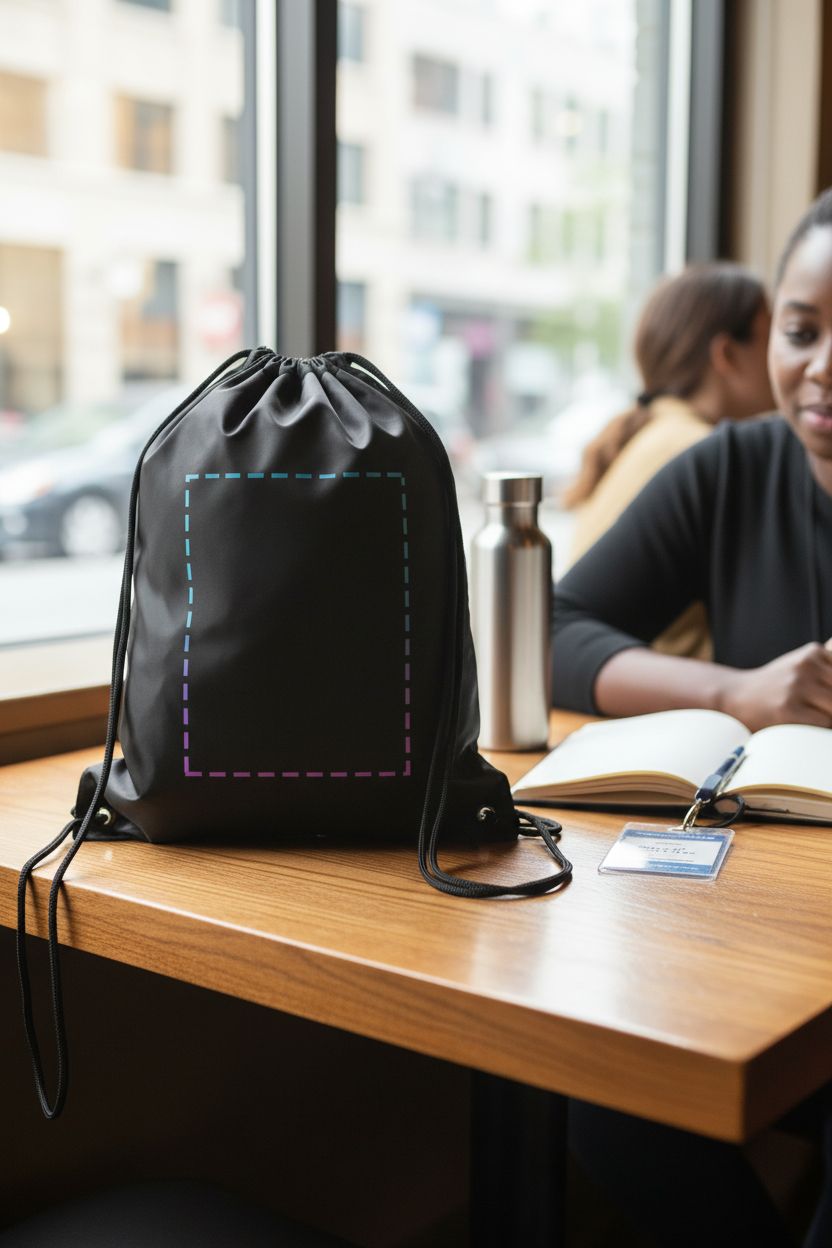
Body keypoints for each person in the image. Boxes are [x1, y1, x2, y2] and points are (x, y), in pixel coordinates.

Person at [555, 187, 832, 1247]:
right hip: (751, 935)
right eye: (800, 332)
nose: (819, 369)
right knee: (609, 1094)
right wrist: (732, 693)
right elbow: (552, 627)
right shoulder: (729, 468)